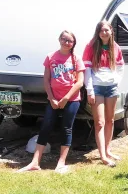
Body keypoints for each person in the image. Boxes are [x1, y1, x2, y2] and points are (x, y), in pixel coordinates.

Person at [17, 30, 85, 173]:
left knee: (66, 128)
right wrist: (51, 98)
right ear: (59, 39)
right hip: (53, 99)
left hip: (71, 99)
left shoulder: (76, 58)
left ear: (73, 43)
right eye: (64, 39)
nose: (67, 43)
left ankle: (61, 162)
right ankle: (35, 162)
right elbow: (46, 80)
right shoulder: (50, 57)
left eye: (70, 41)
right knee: (45, 127)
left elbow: (79, 83)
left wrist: (66, 98)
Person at [82, 21, 124, 167]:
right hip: (97, 88)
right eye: (101, 30)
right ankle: (103, 156)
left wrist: (116, 82)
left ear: (111, 31)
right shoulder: (91, 46)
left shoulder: (115, 47)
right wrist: (90, 90)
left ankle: (108, 150)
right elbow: (87, 70)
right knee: (99, 122)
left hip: (111, 88)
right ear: (98, 32)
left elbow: (120, 67)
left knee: (110, 120)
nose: (104, 33)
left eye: (106, 30)